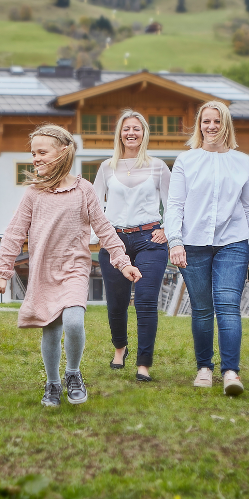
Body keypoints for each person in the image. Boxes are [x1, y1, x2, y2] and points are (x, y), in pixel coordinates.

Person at [0, 124, 142, 407]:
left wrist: (123, 263)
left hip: (74, 269)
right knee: (50, 329)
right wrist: (0, 274)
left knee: (73, 321)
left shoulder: (83, 190)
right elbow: (14, 234)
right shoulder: (33, 193)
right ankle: (52, 383)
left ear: (63, 152)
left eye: (42, 152)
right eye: (33, 153)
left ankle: (72, 373)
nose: (35, 158)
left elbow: (104, 229)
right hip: (43, 271)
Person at [166, 101, 249, 396]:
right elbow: (174, 205)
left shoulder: (241, 162)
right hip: (193, 244)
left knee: (228, 305)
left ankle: (231, 372)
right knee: (201, 309)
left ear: (226, 125)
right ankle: (204, 368)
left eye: (217, 121)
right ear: (200, 125)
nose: (211, 127)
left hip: (232, 243)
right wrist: (175, 241)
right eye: (206, 121)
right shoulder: (186, 160)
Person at [93, 110, 171, 382]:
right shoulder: (107, 167)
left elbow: (173, 203)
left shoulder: (158, 166)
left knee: (146, 301)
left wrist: (167, 229)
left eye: (136, 128)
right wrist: (99, 236)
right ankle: (120, 348)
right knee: (117, 303)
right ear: (119, 134)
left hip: (150, 239)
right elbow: (94, 206)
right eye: (126, 128)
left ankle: (143, 364)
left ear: (144, 133)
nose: (131, 133)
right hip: (114, 240)